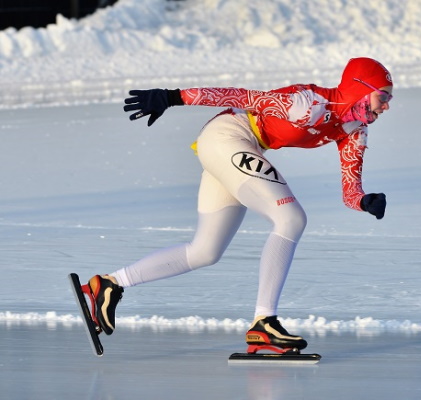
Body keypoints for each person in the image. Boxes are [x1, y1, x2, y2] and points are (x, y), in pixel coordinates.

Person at [84, 57, 392, 353]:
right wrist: (171, 97)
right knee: (291, 219)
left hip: (239, 149)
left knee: (204, 251)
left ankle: (109, 285)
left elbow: (350, 191)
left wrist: (365, 202)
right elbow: (240, 96)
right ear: (360, 89)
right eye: (383, 96)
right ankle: (264, 321)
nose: (387, 106)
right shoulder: (307, 103)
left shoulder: (356, 130)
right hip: (228, 137)